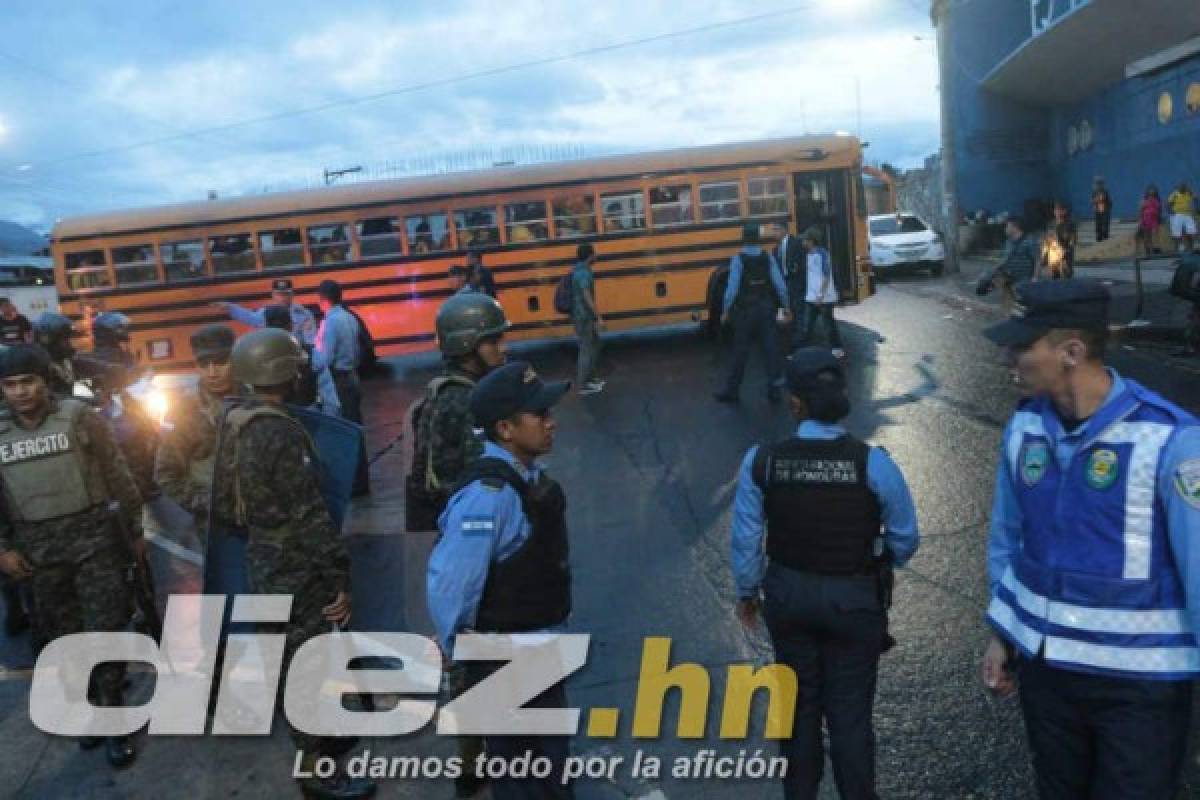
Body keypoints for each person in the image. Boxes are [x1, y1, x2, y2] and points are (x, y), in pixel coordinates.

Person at [980, 280, 1200, 800]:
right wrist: (1001, 633)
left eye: (1024, 345)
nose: (1010, 357)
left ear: (1071, 352)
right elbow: (1008, 542)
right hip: (1048, 675)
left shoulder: (1171, 440)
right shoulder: (1024, 430)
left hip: (1140, 685)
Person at [730, 348, 919, 800]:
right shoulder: (873, 463)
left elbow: (745, 539)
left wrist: (746, 593)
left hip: (789, 599)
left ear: (795, 403)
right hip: (854, 601)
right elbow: (905, 538)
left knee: (797, 712)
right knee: (850, 717)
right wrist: (875, 565)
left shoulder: (762, 461)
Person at [210, 328, 374, 800]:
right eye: (297, 366)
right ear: (285, 372)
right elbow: (309, 515)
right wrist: (337, 577)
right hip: (298, 565)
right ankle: (317, 772)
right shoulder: (281, 430)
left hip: (263, 556)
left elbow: (222, 503)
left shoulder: (236, 419)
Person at [427, 361, 573, 800]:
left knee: (546, 768)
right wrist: (456, 646)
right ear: (505, 429)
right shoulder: (487, 498)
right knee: (525, 776)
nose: (551, 422)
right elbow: (451, 581)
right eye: (540, 415)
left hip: (537, 649)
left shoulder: (523, 480)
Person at [0, 344, 143, 768]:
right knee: (63, 635)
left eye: (28, 381)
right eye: (10, 385)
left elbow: (118, 472)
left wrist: (134, 531)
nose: (21, 392)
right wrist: (3, 550)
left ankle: (113, 708)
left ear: (45, 381)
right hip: (38, 553)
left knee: (104, 625)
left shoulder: (80, 418)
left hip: (94, 541)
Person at [407, 292, 510, 532]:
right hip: (474, 528)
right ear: (466, 345)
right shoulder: (465, 401)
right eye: (493, 342)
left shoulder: (444, 390)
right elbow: (483, 480)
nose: (503, 349)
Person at [154, 325, 241, 545]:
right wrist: (208, 504)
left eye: (220, 362)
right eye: (204, 364)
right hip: (218, 528)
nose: (212, 372)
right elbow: (166, 474)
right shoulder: (186, 412)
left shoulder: (256, 400)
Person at [714, 224, 790, 404]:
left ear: (743, 239)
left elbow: (731, 290)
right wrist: (787, 306)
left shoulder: (738, 259)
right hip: (766, 309)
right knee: (771, 350)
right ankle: (774, 390)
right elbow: (780, 286)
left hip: (745, 311)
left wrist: (725, 310)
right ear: (758, 239)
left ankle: (732, 391)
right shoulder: (768, 257)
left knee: (740, 351)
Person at [315, 279, 369, 496]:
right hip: (352, 376)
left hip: (339, 380)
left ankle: (350, 484)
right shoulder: (349, 317)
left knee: (343, 431)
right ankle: (361, 482)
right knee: (356, 429)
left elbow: (325, 357)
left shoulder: (330, 322)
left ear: (322, 300)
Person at [262, 304, 340, 415]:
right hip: (307, 421)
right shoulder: (312, 355)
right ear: (291, 326)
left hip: (269, 421)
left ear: (265, 327)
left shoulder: (254, 357)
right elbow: (332, 404)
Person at [213, 278, 318, 345]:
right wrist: (230, 307)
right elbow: (250, 317)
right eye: (279, 294)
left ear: (292, 295)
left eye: (286, 294)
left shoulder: (304, 314)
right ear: (273, 296)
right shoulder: (266, 313)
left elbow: (310, 340)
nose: (283, 298)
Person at [794, 227, 844, 357]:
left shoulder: (822, 254)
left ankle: (837, 348)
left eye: (805, 240)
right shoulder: (807, 255)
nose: (802, 242)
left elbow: (827, 276)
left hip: (824, 298)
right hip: (811, 297)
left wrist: (821, 295)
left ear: (812, 241)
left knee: (828, 325)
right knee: (806, 326)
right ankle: (801, 351)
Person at [975, 216, 1038, 312]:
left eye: (1007, 226)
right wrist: (990, 273)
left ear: (1015, 227)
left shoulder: (1030, 241)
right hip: (1007, 275)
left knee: (1022, 304)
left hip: (1023, 278)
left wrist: (1035, 277)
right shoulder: (1008, 242)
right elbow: (1004, 260)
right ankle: (1008, 316)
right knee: (984, 287)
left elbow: (1037, 260)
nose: (1005, 229)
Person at [571, 243, 606, 396]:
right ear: (589, 256)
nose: (596, 256)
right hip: (583, 316)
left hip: (581, 315)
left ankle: (591, 378)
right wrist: (598, 316)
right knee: (586, 349)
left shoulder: (578, 269)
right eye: (594, 254)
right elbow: (587, 296)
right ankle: (583, 384)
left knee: (595, 344)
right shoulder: (584, 273)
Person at [775, 223, 808, 348]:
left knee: (799, 311)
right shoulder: (777, 247)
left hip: (796, 282)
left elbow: (802, 261)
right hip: (785, 283)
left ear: (784, 230)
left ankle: (801, 342)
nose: (774, 233)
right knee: (789, 310)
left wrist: (796, 269)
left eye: (776, 229)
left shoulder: (796, 243)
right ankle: (793, 340)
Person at [32, 312, 76, 396]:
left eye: (67, 338)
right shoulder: (37, 363)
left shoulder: (65, 357)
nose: (66, 343)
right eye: (62, 339)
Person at [1039, 201, 1077, 280]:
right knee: (1054, 278)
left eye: (1060, 210)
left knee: (1065, 278)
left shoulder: (1069, 224)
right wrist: (1044, 259)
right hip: (1053, 256)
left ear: (1065, 211)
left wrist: (1066, 253)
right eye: (1056, 210)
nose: (1057, 212)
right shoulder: (1051, 224)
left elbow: (1072, 241)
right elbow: (1046, 241)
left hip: (1065, 256)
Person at [1167, 181, 1197, 254]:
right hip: (1178, 214)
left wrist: (1196, 208)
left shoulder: (1188, 193)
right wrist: (1170, 211)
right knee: (1177, 232)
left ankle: (1194, 245)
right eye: (1181, 187)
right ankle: (1181, 245)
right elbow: (1168, 203)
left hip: (1188, 214)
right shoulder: (1175, 194)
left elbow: (1196, 198)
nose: (1183, 188)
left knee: (1192, 230)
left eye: (1184, 187)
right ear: (1179, 188)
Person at [1137, 185, 1164, 258]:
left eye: (1153, 193)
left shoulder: (1158, 201)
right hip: (1146, 220)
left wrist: (1160, 219)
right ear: (1147, 193)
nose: (1151, 195)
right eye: (1150, 193)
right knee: (1147, 236)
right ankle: (1148, 250)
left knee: (1154, 236)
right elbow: (1140, 211)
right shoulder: (1144, 201)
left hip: (1154, 220)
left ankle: (1154, 250)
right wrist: (1140, 222)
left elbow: (1160, 211)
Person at [1091, 177, 1112, 242]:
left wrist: (1106, 208)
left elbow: (1109, 202)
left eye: (1099, 184)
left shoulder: (1105, 192)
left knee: (1105, 227)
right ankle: (1099, 239)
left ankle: (1105, 239)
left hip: (1105, 211)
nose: (1098, 186)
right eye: (1097, 184)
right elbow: (1093, 201)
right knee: (1098, 226)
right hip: (1098, 212)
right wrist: (1095, 204)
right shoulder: (1094, 192)